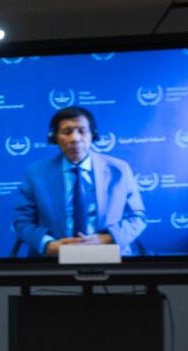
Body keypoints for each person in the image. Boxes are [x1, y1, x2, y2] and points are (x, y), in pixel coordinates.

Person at [12, 106, 146, 256]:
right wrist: (48, 245)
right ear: (54, 137)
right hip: (54, 259)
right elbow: (22, 221)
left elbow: (137, 218)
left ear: (93, 135)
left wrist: (107, 239)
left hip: (107, 254)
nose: (75, 139)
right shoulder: (36, 173)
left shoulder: (119, 170)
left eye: (82, 131)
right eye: (67, 132)